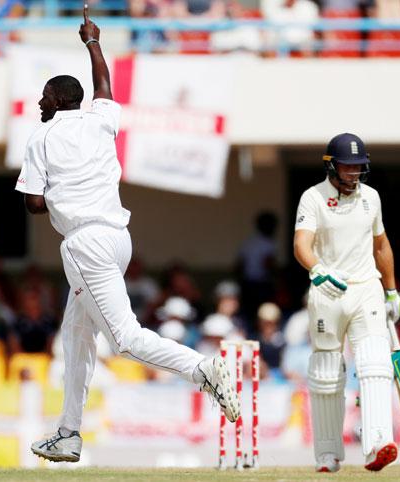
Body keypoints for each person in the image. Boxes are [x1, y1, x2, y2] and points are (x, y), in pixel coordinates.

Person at [14, 6, 240, 463]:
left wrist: (53, 191)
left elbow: (34, 203)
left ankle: (204, 370)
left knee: (124, 339)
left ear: (57, 100)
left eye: (43, 97)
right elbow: (104, 86)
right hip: (118, 239)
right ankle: (69, 432)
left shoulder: (40, 139)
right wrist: (93, 41)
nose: (39, 103)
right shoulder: (100, 121)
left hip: (84, 244)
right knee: (76, 335)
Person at [293, 133, 400, 472]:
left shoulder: (370, 198)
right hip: (328, 290)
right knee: (327, 371)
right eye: (347, 166)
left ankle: (377, 443)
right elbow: (301, 244)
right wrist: (318, 270)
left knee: (375, 362)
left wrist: (391, 290)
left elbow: (381, 246)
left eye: (359, 166)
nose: (354, 173)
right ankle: (328, 454)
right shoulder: (312, 198)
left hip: (366, 287)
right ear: (331, 165)